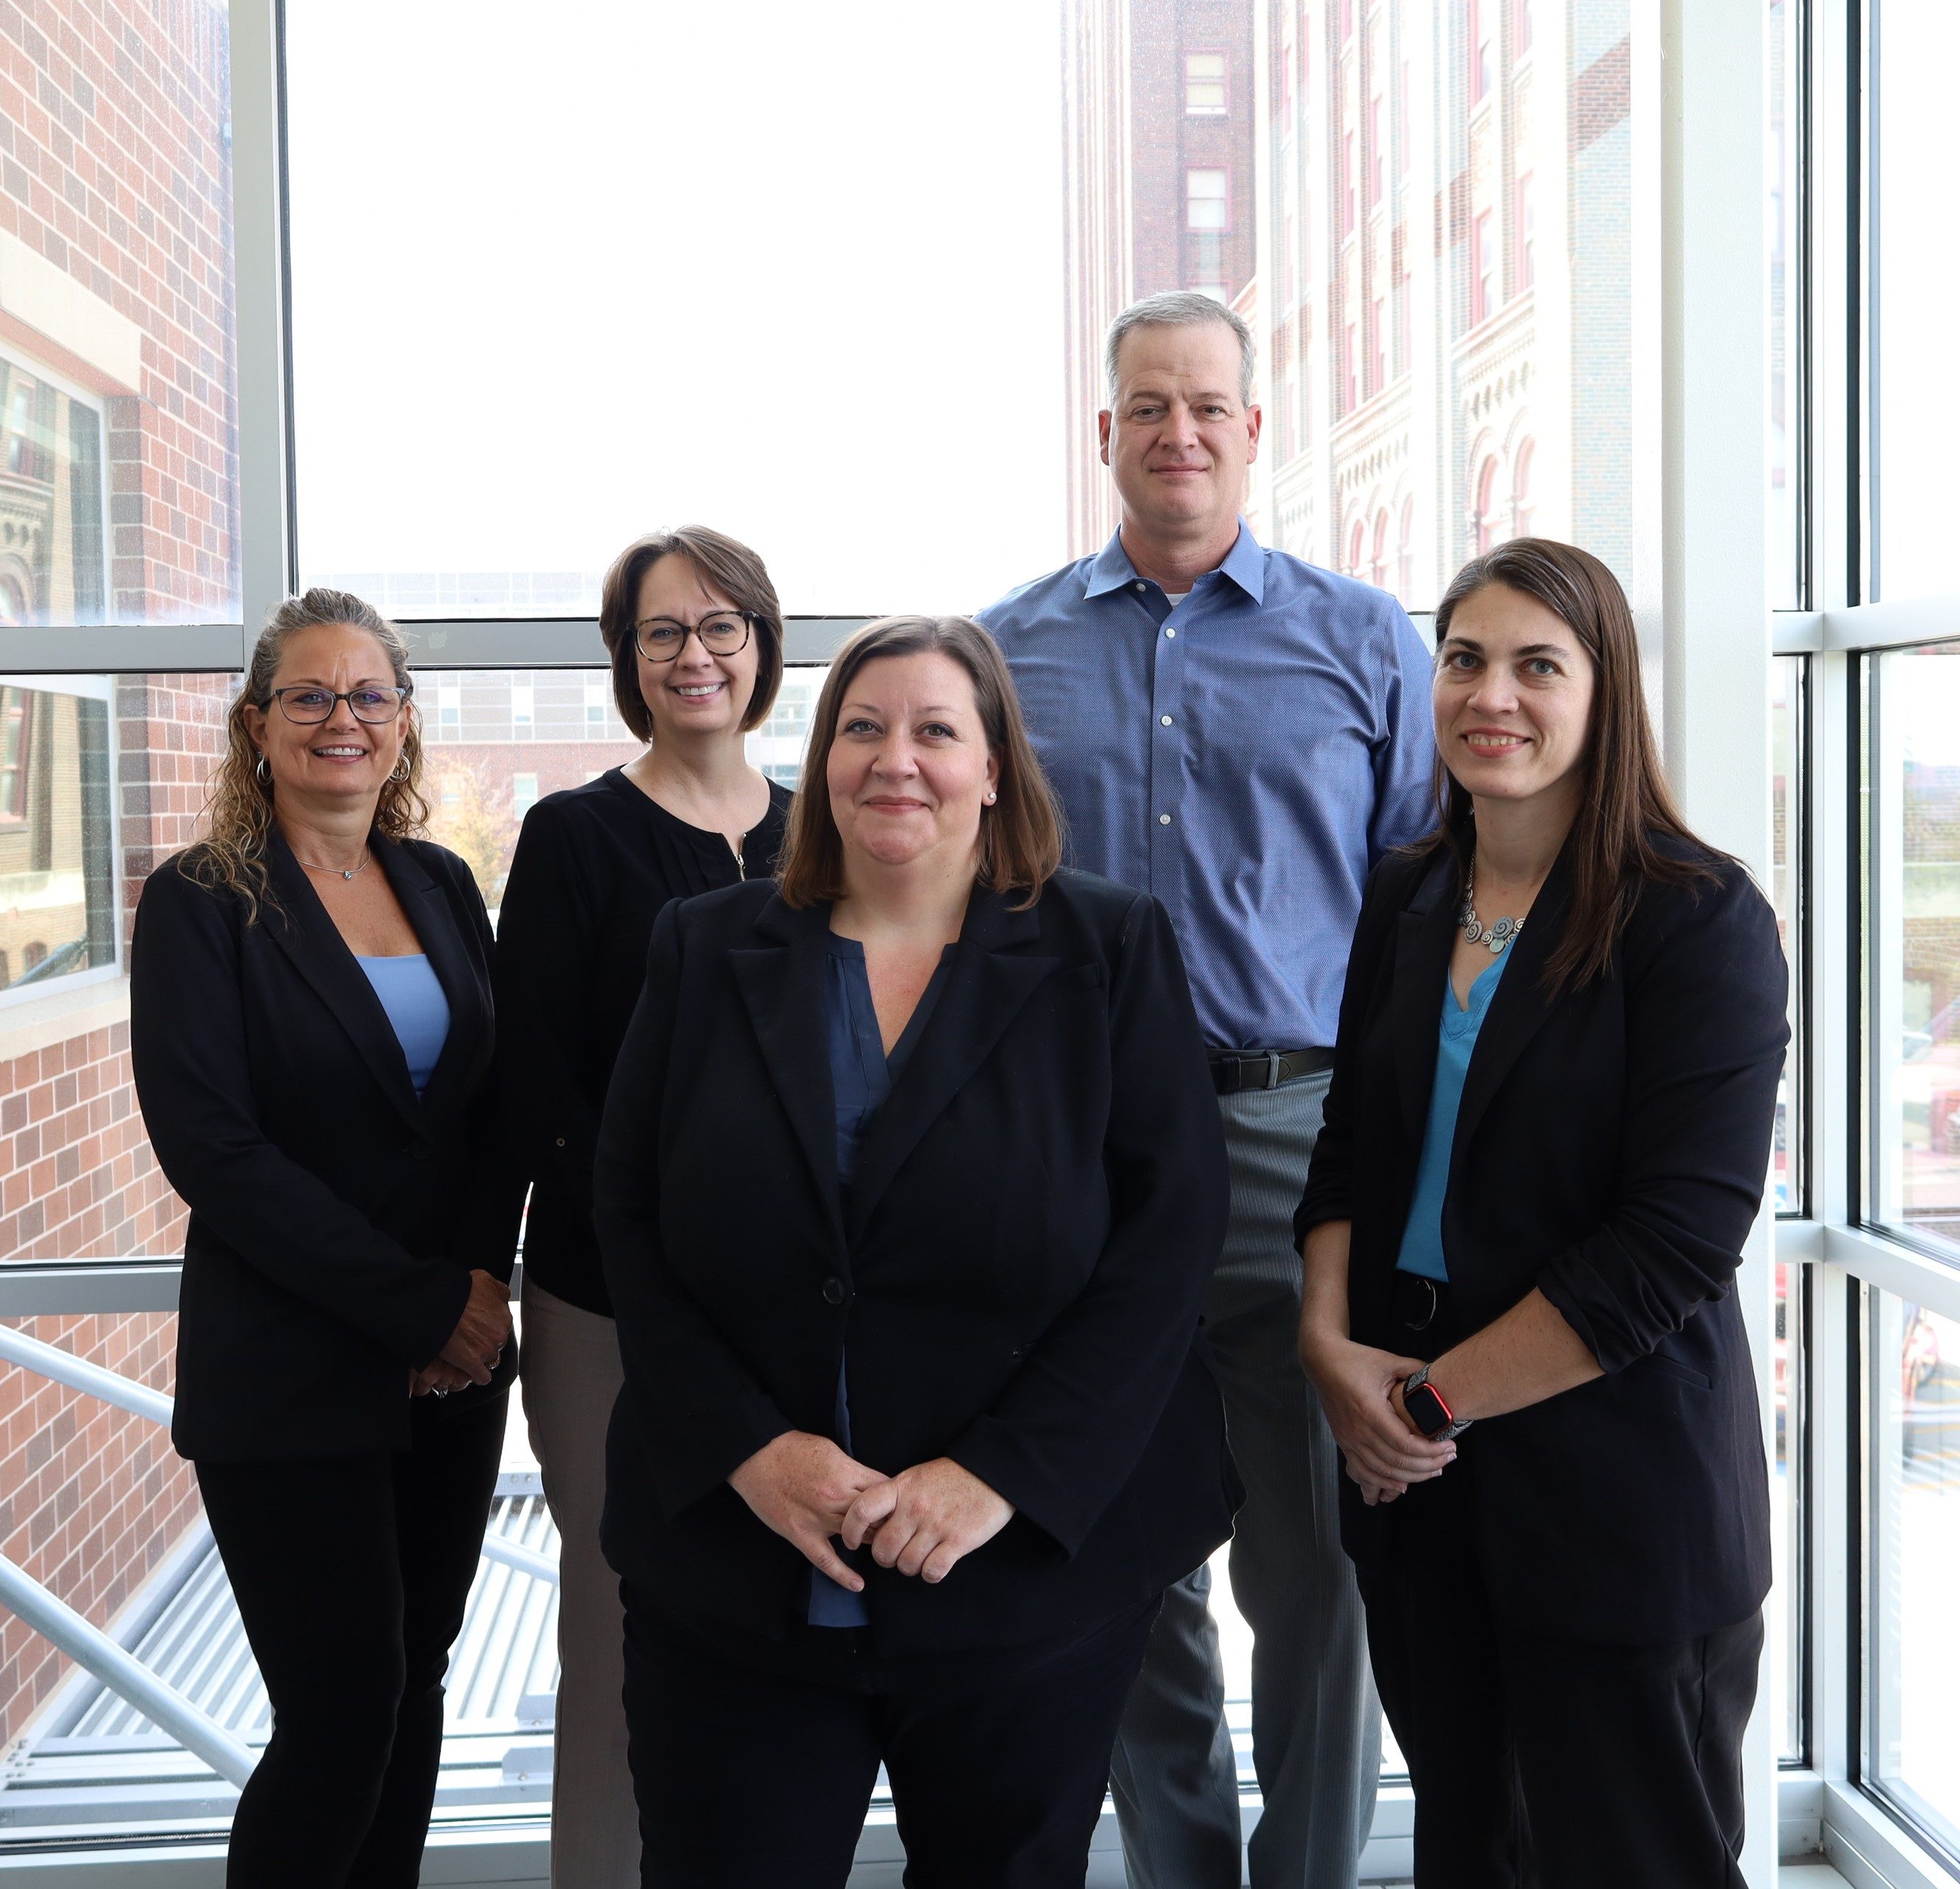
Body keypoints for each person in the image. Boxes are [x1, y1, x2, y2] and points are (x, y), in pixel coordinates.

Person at [593, 614, 1236, 1888]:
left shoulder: (1105, 950)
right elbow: (629, 1218)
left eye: (936, 730)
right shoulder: (705, 948)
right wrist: (748, 1450)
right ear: (822, 757)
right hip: (739, 1575)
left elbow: (1166, 1246)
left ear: (994, 766)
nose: (897, 759)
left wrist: (997, 1476)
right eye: (862, 728)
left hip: (1019, 1582)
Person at [979, 289, 1436, 1889]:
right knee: (1117, 1546)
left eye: (1209, 407)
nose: (1179, 433)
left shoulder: (1366, 640)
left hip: (1290, 1136)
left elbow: (1419, 917)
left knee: (1317, 1561)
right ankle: (1185, 1871)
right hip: (1079, 1146)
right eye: (1147, 407)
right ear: (1105, 433)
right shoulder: (1004, 649)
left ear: (1254, 428)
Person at [1294, 539, 1787, 1888]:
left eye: (1534, 665)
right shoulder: (1405, 891)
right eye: (1462, 659)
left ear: (1602, 691)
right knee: (1468, 1850)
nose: (1488, 695)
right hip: (1419, 1491)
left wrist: (1428, 1406)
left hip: (1611, 1492)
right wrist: (1330, 1354)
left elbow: (1673, 1246)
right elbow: (1347, 1148)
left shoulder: (1697, 920)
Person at [129, 588, 518, 1888]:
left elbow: (483, 1111)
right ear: (256, 726)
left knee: (415, 1692)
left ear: (403, 725)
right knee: (341, 1711)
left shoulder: (443, 884)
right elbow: (215, 1155)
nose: (339, 720)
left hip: (447, 1378)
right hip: (291, 1375)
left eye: (367, 696)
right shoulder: (200, 903)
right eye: (307, 696)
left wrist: (469, 1296)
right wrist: (417, 1307)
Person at [492, 526, 791, 1888]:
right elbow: (537, 1082)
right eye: (664, 632)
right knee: (618, 1637)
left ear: (763, 644)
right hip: (607, 1306)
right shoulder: (574, 837)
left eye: (722, 626)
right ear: (626, 660)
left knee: (780, 1637)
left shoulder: (824, 829)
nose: (696, 655)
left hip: (794, 1320)